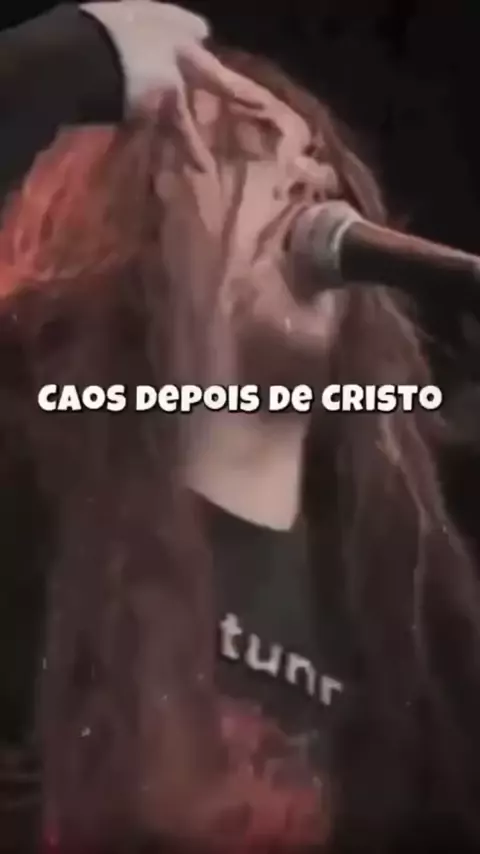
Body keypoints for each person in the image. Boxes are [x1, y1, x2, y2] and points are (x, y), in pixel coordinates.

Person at [1, 5, 480, 854]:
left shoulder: (424, 589)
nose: (304, 166)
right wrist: (59, 62)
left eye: (315, 155)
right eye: (243, 146)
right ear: (125, 221)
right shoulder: (31, 517)